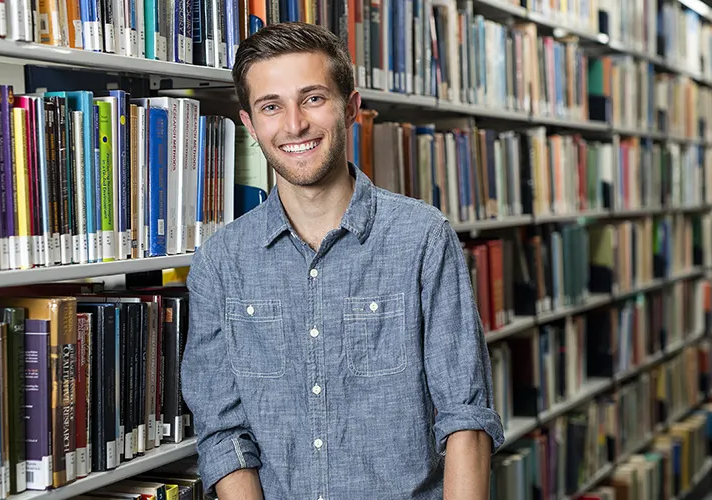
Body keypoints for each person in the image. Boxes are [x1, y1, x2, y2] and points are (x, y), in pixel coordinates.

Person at [180, 21, 505, 500]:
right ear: (250, 124)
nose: (294, 125)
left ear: (351, 107)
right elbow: (224, 434)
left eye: (313, 98)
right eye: (272, 107)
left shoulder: (423, 238)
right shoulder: (220, 262)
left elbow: (466, 417)